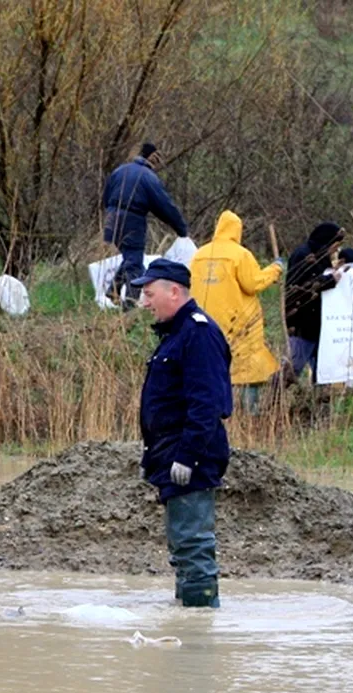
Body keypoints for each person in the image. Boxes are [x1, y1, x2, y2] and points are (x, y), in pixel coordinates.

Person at [133, 259, 232, 608]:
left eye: (149, 294)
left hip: (192, 454)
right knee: (182, 543)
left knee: (192, 543)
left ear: (174, 291)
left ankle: (200, 629)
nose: (145, 303)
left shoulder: (198, 332)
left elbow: (206, 404)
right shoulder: (177, 334)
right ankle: (188, 614)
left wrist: (187, 456)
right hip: (169, 451)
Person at [188, 210, 283, 412]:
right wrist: (275, 269)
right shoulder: (240, 254)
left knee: (212, 367)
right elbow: (253, 284)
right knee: (249, 370)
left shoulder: (199, 255)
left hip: (204, 322)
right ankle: (249, 413)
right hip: (237, 323)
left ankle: (216, 411)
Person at [103, 142, 190, 307]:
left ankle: (113, 290)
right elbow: (165, 207)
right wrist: (181, 229)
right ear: (152, 157)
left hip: (111, 220)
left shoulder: (120, 170)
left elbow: (106, 197)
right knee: (135, 263)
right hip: (132, 222)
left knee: (130, 257)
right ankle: (130, 307)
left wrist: (111, 215)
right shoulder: (147, 177)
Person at [284, 222, 345, 381]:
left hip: (318, 326)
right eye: (335, 245)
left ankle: (318, 402)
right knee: (292, 369)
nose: (336, 250)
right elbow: (302, 287)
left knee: (322, 372)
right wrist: (330, 279)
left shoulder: (320, 256)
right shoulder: (303, 255)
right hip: (302, 325)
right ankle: (274, 401)